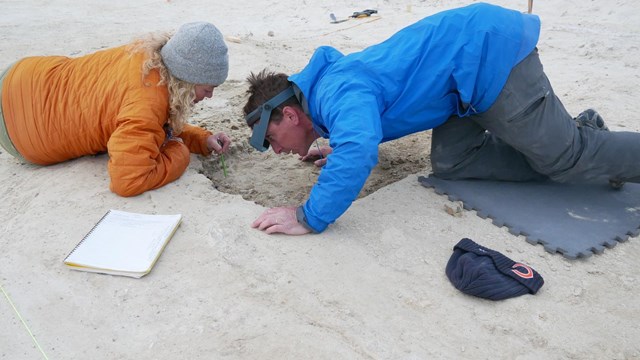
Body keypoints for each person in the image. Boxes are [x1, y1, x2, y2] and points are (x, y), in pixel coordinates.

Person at [242, 2, 640, 236]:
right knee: (452, 163)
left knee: (565, 159)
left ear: (291, 114)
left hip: (487, 58)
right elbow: (360, 123)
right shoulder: (328, 96)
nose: (276, 150)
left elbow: (360, 145)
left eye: (272, 139)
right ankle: (567, 135)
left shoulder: (335, 92)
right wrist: (339, 142)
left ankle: (574, 143)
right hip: (459, 86)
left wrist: (308, 217)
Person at [0, 22, 232, 196]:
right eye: (208, 88)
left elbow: (144, 122)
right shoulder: (147, 102)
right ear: (189, 79)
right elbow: (128, 181)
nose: (210, 96)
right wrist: (179, 151)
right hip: (21, 135)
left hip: (20, 75)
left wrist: (201, 140)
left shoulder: (146, 56)